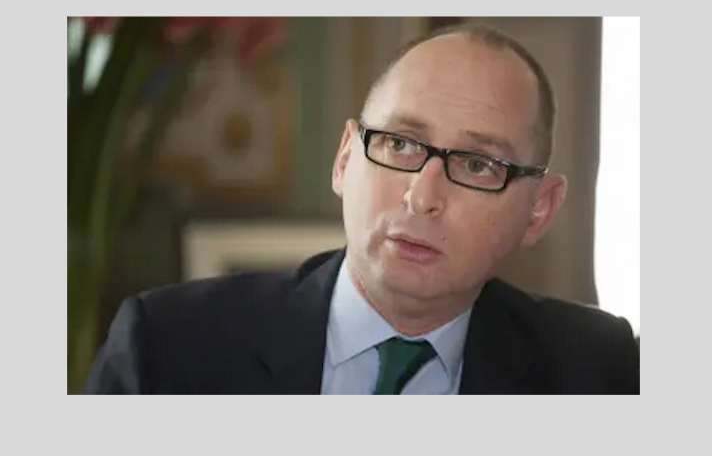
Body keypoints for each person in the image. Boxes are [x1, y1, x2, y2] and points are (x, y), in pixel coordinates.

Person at [84, 24, 640, 394]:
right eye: (400, 144)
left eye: (476, 165)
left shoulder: (599, 372)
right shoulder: (167, 347)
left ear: (539, 210)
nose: (422, 197)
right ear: (345, 159)